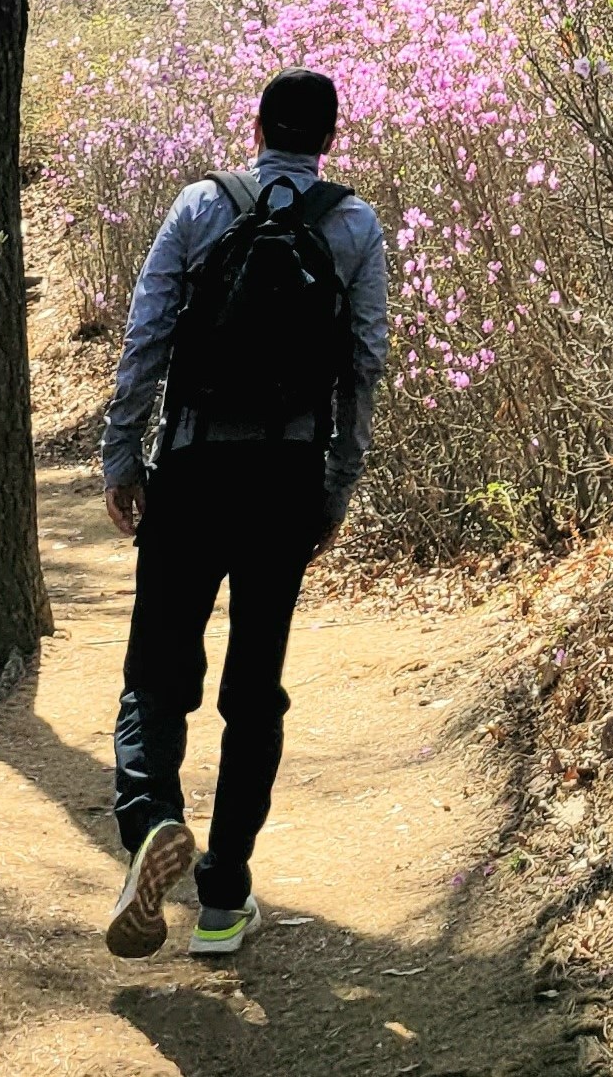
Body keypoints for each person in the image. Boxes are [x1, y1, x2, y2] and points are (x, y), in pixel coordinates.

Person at [97, 67, 390, 958]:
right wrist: (337, 485)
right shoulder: (353, 224)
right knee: (254, 687)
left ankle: (152, 815)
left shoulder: (200, 204)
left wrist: (122, 453)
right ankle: (223, 895)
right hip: (285, 479)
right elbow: (363, 364)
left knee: (156, 669)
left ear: (256, 127)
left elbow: (147, 335)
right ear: (329, 139)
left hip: (191, 466)